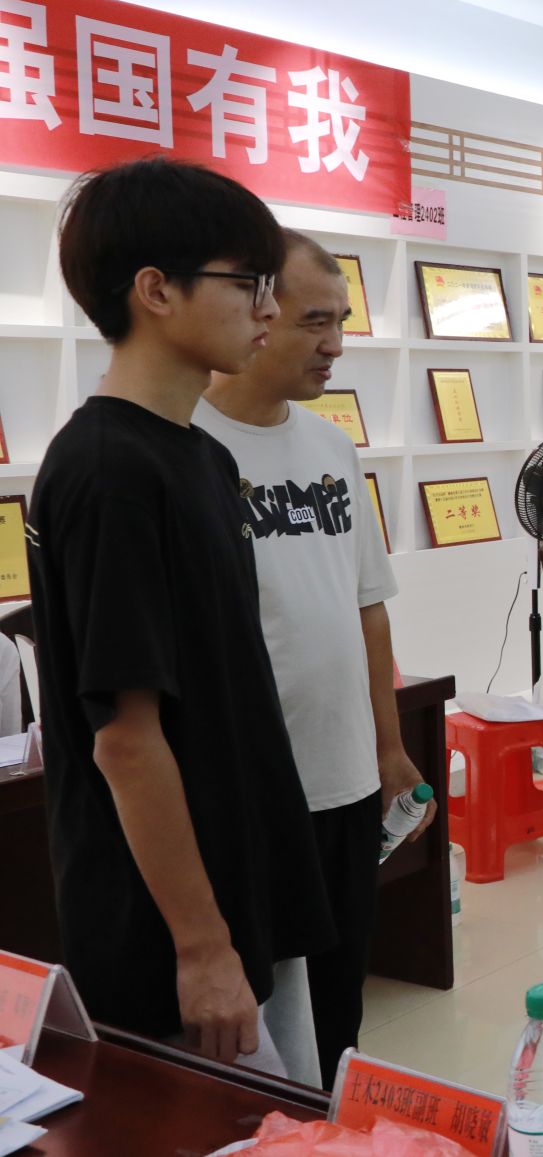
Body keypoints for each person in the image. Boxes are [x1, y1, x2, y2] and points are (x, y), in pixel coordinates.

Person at [28, 158, 331, 1075]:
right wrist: (201, 946)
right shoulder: (107, 471)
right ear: (156, 290)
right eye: (248, 284)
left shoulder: (198, 456)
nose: (268, 310)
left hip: (240, 877)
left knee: (295, 1116)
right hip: (166, 926)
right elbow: (125, 739)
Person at [193, 231, 423, 1089]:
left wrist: (388, 746)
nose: (336, 344)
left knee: (338, 1005)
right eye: (315, 321)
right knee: (266, 1033)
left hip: (347, 782)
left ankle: (332, 1134)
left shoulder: (331, 447)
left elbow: (367, 605)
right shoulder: (186, 449)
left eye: (342, 321)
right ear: (256, 314)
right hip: (254, 795)